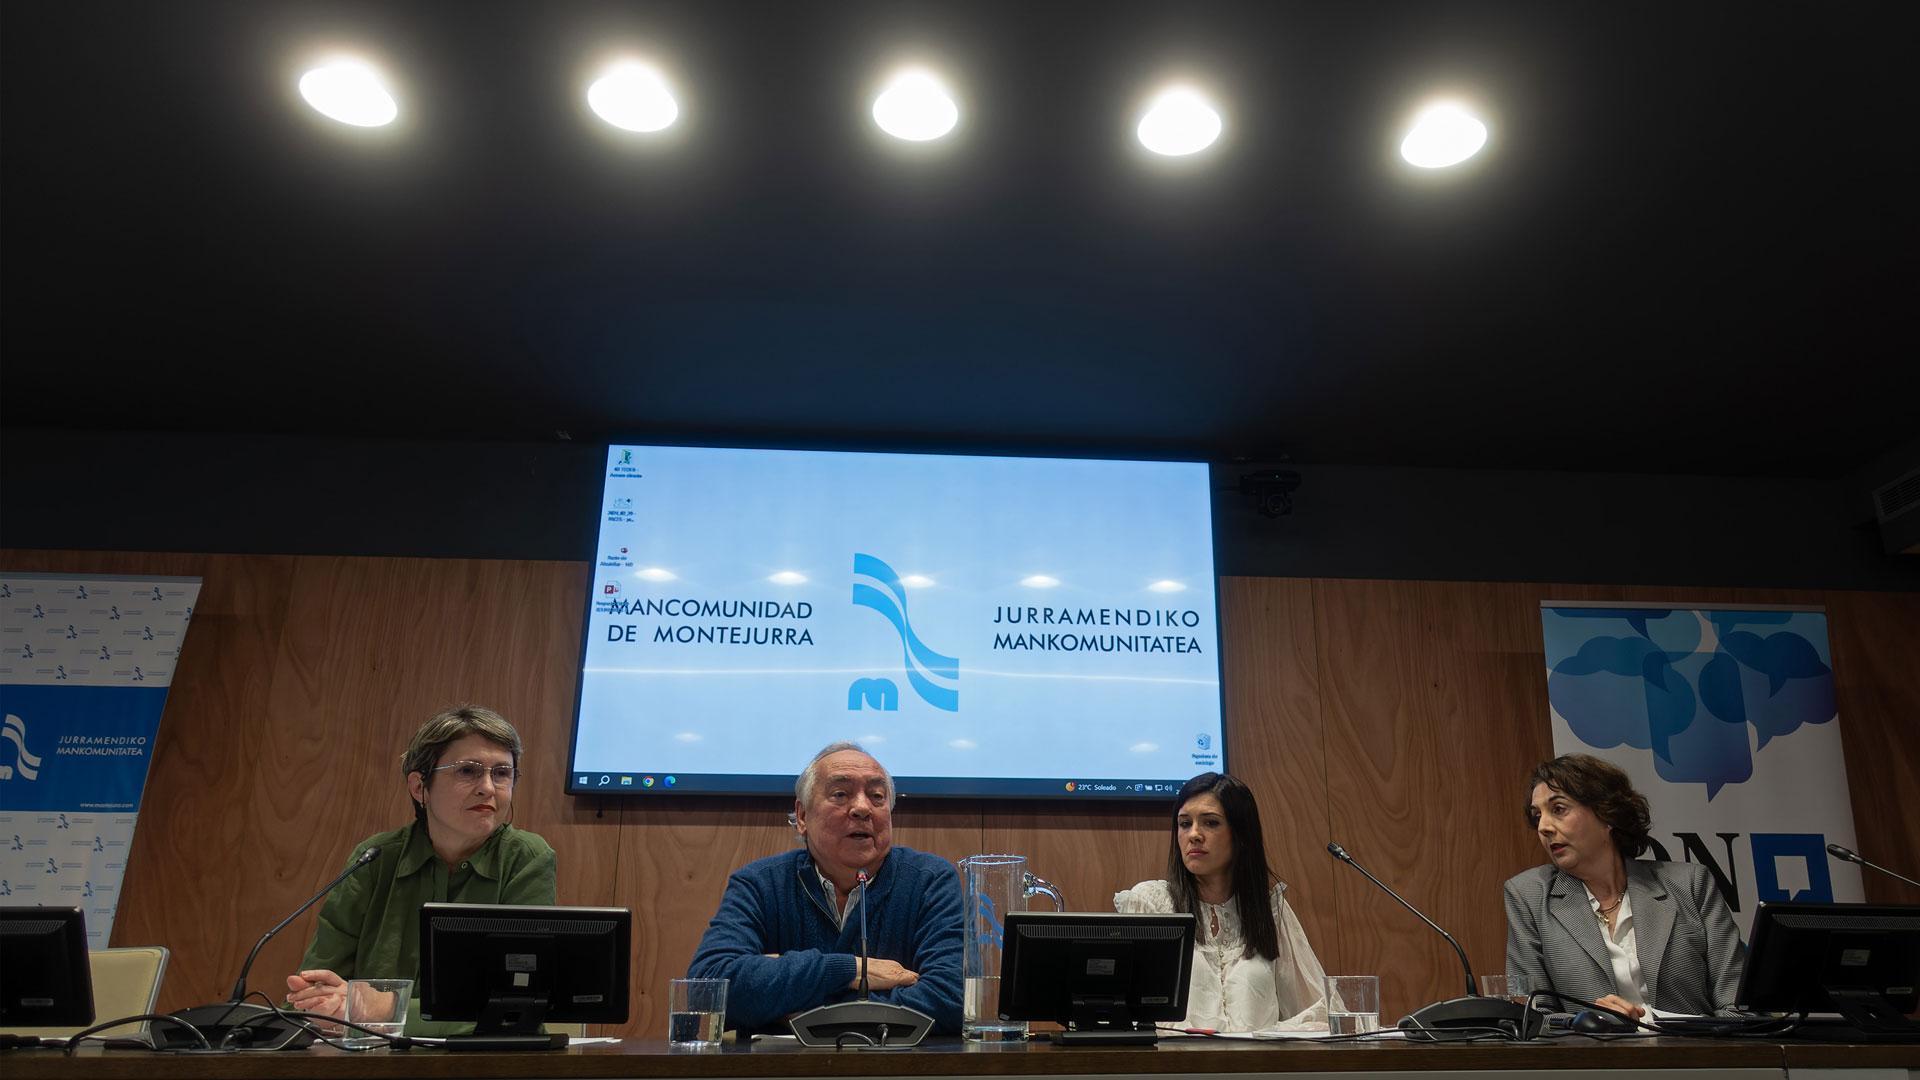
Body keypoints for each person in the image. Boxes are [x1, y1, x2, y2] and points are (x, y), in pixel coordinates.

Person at [285, 705, 557, 1033]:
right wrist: (320, 1004)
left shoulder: (526, 858)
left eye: (501, 773)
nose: (488, 787)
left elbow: (516, 1006)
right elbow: (309, 993)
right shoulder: (375, 858)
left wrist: (377, 1008)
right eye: (468, 771)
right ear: (419, 787)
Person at [687, 742, 963, 1035]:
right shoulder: (760, 883)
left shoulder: (929, 881)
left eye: (877, 796)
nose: (861, 808)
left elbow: (949, 999)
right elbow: (708, 989)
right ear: (802, 816)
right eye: (841, 794)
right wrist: (851, 970)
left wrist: (792, 1006)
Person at [1503, 753, 1746, 1019]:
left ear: (1607, 814)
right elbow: (1530, 1015)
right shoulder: (1528, 895)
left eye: (1558, 809)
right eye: (1537, 816)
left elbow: (1738, 1010)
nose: (1544, 827)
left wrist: (1655, 1023)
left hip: (1696, 1056)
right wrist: (1589, 1022)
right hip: (1593, 1058)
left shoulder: (1690, 885)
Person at [1114, 772, 1327, 1032]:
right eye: (1184, 824)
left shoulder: (1269, 909)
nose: (1193, 835)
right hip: (1173, 1070)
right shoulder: (1151, 905)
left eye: (1210, 823)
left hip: (1257, 1070)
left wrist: (1259, 1040)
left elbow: (1320, 1012)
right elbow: (1122, 1016)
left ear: (1241, 834)